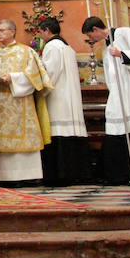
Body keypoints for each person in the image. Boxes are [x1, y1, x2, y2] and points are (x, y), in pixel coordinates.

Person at [82, 16, 130, 186]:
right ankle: (122, 175)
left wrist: (122, 54)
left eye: (90, 35)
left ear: (96, 29)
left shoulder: (124, 33)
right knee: (117, 132)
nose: (91, 40)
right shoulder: (106, 48)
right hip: (119, 93)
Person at [0, 19, 52, 183]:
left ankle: (27, 176)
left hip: (20, 103)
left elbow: (35, 76)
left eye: (2, 30)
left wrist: (13, 78)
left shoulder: (26, 52)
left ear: (13, 31)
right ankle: (3, 176)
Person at [38, 17, 90, 185]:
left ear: (47, 31)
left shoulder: (52, 47)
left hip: (58, 98)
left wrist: (38, 90)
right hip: (70, 97)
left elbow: (49, 74)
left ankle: (59, 176)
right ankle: (77, 174)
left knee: (58, 132)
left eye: (41, 33)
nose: (41, 36)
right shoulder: (68, 48)